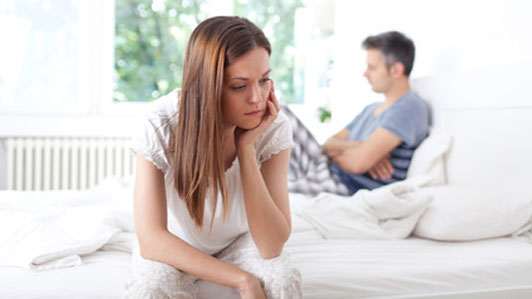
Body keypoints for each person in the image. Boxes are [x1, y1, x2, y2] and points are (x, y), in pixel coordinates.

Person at [125, 16, 302, 299]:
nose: (257, 98)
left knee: (283, 280)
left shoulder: (274, 128)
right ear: (206, 86)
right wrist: (242, 279)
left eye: (264, 80)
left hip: (240, 240)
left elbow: (270, 246)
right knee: (149, 290)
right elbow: (152, 240)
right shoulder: (160, 122)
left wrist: (246, 150)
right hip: (176, 242)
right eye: (239, 86)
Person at [285, 31, 429, 196]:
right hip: (325, 169)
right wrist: (357, 146)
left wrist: (337, 153)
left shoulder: (408, 107)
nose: (365, 73)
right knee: (280, 116)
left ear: (396, 70)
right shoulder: (371, 109)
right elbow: (329, 144)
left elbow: (356, 164)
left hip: (343, 183)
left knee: (279, 114)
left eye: (372, 67)